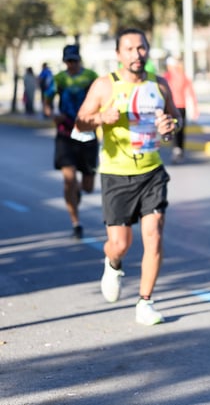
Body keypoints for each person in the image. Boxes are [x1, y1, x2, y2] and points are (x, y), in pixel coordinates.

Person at [75, 27, 181, 326]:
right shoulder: (104, 86)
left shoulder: (160, 85)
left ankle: (145, 302)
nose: (137, 54)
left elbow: (176, 120)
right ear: (119, 54)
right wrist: (99, 118)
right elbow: (80, 122)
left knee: (154, 235)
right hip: (116, 174)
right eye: (131, 49)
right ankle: (113, 263)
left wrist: (169, 126)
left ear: (148, 50)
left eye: (142, 48)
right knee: (120, 243)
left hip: (151, 171)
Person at [44, 45, 99, 238]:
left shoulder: (91, 77)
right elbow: (47, 102)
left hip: (88, 134)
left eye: (75, 60)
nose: (72, 64)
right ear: (64, 61)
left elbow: (103, 98)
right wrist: (52, 115)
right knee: (69, 180)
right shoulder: (58, 79)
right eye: (68, 61)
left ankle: (78, 191)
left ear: (79, 60)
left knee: (88, 186)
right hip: (65, 134)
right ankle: (76, 223)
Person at [163, 56, 199, 163]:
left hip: (179, 106)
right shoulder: (167, 77)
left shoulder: (179, 77)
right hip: (171, 106)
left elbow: (190, 92)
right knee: (175, 129)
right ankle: (177, 149)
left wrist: (195, 108)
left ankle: (178, 149)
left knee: (178, 129)